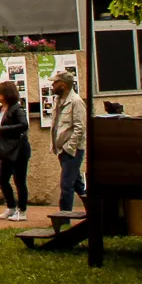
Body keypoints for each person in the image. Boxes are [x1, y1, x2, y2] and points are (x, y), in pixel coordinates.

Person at [0, 78, 30, 222]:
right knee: (2, 178)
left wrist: (5, 129)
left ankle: (22, 210)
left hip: (19, 149)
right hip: (7, 149)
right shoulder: (1, 109)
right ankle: (11, 206)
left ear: (6, 94)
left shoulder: (17, 109)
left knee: (19, 180)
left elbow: (24, 125)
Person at [49, 70, 88, 214]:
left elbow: (80, 128)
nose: (52, 85)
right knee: (77, 183)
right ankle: (95, 210)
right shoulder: (58, 100)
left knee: (67, 184)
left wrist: (69, 147)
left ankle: (64, 216)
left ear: (63, 85)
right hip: (61, 149)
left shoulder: (76, 102)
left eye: (55, 82)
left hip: (72, 150)